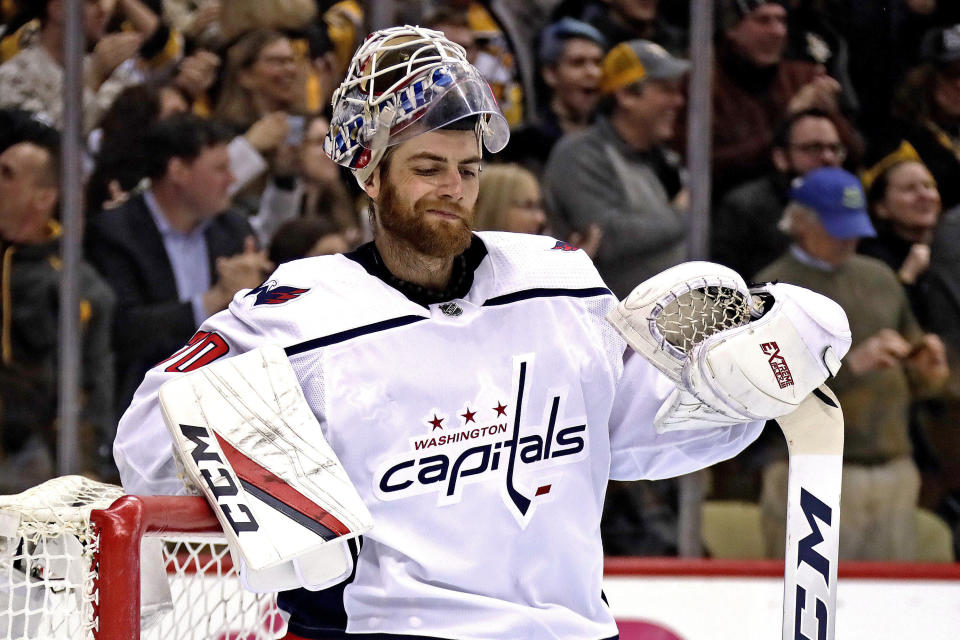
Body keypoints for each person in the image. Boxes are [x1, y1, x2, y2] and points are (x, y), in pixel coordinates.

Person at [113, 26, 845, 639]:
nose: (452, 188)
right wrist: (277, 486)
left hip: (572, 628)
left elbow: (630, 437)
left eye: (466, 169)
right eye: (426, 167)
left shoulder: (554, 280)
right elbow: (151, 430)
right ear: (370, 175)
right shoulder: (299, 312)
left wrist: (733, 390)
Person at [756, 167, 948, 561]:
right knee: (804, 601)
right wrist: (850, 366)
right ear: (800, 223)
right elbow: (762, 390)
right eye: (835, 227)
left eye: (854, 226)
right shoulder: (774, 290)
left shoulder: (880, 278)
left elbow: (912, 366)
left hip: (893, 467)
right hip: (807, 469)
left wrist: (928, 371)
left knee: (889, 601)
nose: (849, 238)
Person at [85, 114, 271, 419]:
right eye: (220, 169)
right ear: (179, 171)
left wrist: (255, 298)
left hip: (226, 404)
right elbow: (123, 331)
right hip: (143, 405)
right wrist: (215, 299)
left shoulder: (233, 229)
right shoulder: (115, 233)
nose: (232, 179)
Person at [0, 112, 116, 488]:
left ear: (43, 196)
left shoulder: (73, 284)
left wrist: (85, 472)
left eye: (7, 174)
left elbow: (90, 383)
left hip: (27, 453)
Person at [544, 39, 690, 298]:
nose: (677, 101)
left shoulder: (664, 159)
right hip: (608, 324)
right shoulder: (580, 155)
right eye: (666, 90)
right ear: (626, 95)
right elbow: (608, 237)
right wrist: (686, 215)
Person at [711, 108, 846, 278]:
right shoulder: (745, 207)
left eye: (835, 149)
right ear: (780, 157)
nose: (828, 157)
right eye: (813, 148)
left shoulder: (849, 204)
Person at [499, 17, 606, 176]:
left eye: (598, 63)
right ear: (550, 74)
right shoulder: (524, 146)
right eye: (578, 63)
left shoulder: (615, 140)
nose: (592, 72)